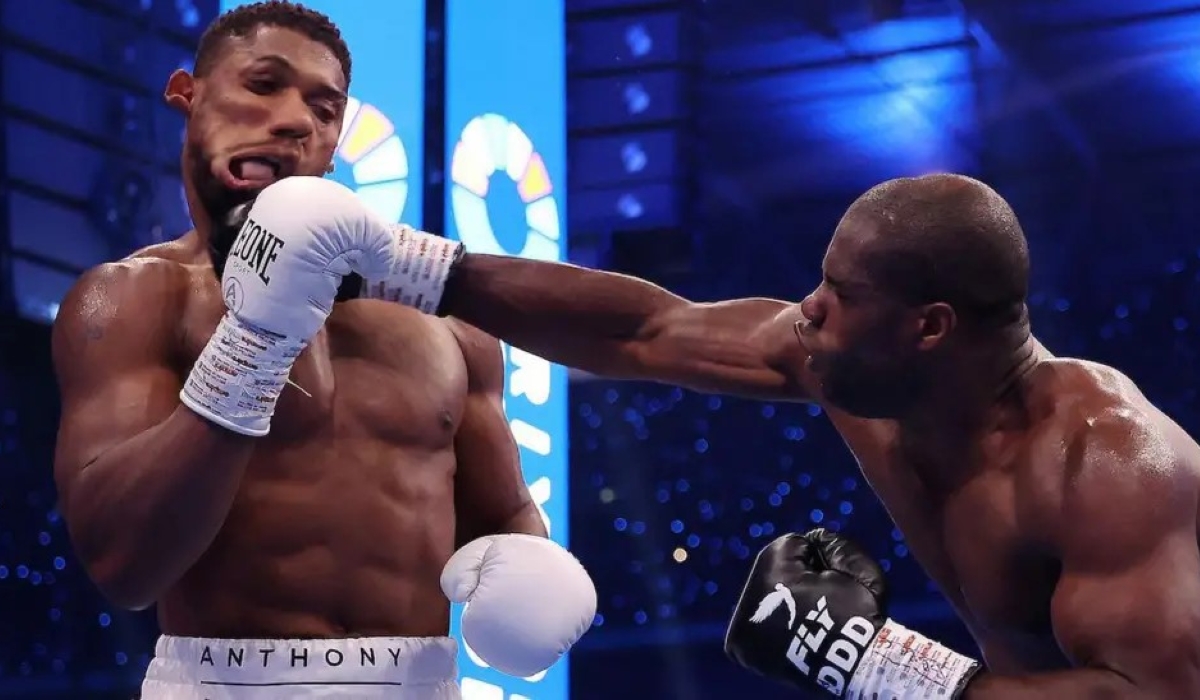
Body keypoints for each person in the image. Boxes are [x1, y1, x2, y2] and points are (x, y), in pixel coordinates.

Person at [374, 172, 1200, 696]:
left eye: (842, 292)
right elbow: (647, 330)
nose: (807, 307)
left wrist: (879, 664)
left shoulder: (1106, 465)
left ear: (930, 326)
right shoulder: (846, 364)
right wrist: (415, 268)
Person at [50, 3, 595, 699]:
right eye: (263, 84)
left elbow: (503, 513)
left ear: (335, 143)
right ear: (188, 94)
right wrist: (251, 347)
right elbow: (121, 564)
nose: (295, 119)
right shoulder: (135, 299)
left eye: (325, 107)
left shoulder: (442, 318)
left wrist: (532, 565)